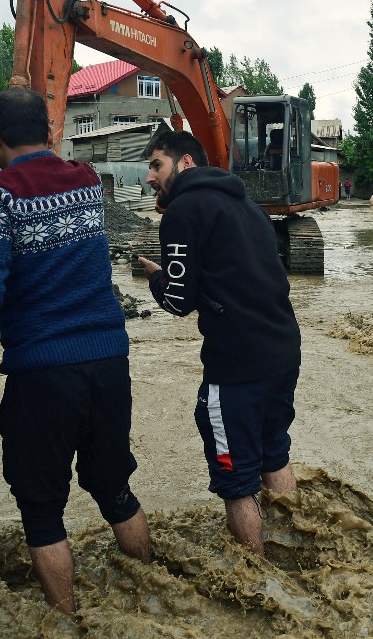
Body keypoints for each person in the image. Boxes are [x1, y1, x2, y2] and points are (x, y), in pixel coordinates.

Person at [0, 86, 150, 614]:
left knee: (43, 509)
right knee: (114, 485)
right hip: (109, 363)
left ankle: (68, 620)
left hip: (45, 373)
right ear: (52, 133)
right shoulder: (87, 181)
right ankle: (151, 599)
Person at [137, 129, 300, 558]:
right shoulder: (250, 206)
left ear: (185, 163)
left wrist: (156, 276)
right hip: (284, 350)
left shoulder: (184, 211)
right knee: (274, 454)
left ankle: (258, 578)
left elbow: (178, 300)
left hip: (236, 367)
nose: (150, 177)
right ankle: (299, 543)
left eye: (156, 165)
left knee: (236, 481)